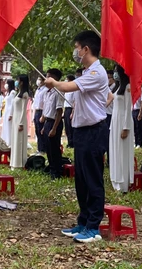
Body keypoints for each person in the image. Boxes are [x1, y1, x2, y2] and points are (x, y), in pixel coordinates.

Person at [50, 30, 110, 243]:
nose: (76, 52)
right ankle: (83, 221)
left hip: (94, 131)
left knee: (92, 179)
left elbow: (67, 87)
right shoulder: (88, 73)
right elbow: (108, 96)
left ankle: (94, 227)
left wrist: (54, 83)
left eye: (77, 48)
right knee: (82, 180)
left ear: (86, 49)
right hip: (84, 131)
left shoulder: (96, 72)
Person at [108, 65, 133, 193]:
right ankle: (115, 179)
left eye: (117, 71)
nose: (115, 74)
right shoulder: (117, 88)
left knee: (122, 151)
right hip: (115, 121)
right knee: (115, 150)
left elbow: (129, 108)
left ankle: (123, 184)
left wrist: (126, 127)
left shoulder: (127, 87)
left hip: (123, 122)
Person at [42, 69, 65, 178]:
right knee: (48, 147)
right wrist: (45, 126)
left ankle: (57, 171)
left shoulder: (58, 92)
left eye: (48, 77)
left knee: (54, 148)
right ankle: (51, 167)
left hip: (55, 122)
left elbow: (59, 111)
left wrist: (54, 128)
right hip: (48, 121)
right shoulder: (48, 92)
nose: (45, 80)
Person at [10, 75, 31, 169]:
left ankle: (19, 163)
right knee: (15, 140)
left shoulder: (25, 94)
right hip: (15, 118)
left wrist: (21, 123)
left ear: (22, 82)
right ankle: (14, 162)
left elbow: (23, 110)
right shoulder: (19, 92)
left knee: (19, 140)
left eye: (18, 80)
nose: (17, 82)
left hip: (20, 119)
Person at [32, 76, 48, 156]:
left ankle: (43, 148)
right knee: (37, 131)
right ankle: (39, 148)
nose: (38, 81)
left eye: (40, 79)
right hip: (37, 111)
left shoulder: (45, 90)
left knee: (41, 131)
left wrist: (43, 115)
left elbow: (45, 103)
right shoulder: (38, 90)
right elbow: (35, 103)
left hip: (42, 112)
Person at [64, 73, 76, 148]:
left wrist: (72, 112)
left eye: (67, 80)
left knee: (71, 126)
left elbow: (75, 102)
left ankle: (72, 142)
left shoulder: (73, 90)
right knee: (67, 127)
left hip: (71, 109)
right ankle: (69, 141)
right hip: (66, 109)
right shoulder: (67, 90)